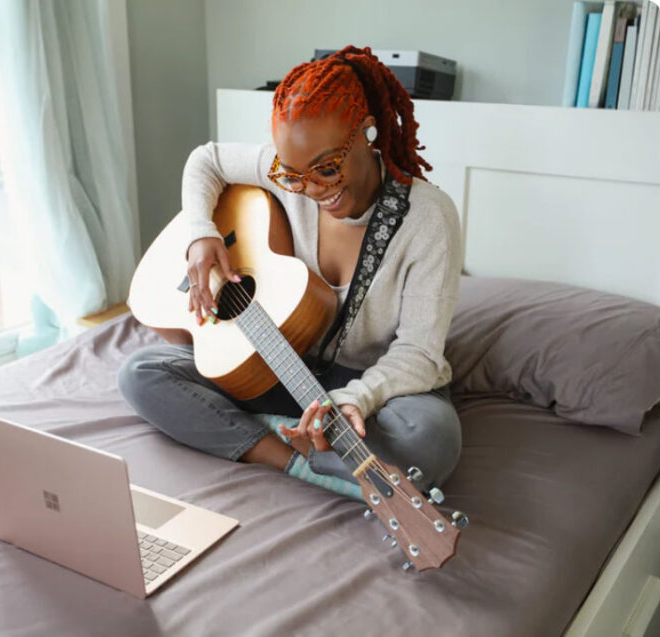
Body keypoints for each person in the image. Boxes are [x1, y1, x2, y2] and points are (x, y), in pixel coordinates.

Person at [117, 45, 462, 501]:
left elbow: (418, 352)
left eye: (327, 168)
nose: (313, 189)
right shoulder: (288, 175)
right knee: (141, 373)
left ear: (367, 132)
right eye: (294, 175)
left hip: (373, 385)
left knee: (431, 440)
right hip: (279, 365)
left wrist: (355, 399)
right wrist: (201, 234)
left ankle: (262, 429)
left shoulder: (428, 218)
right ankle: (288, 457)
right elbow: (206, 160)